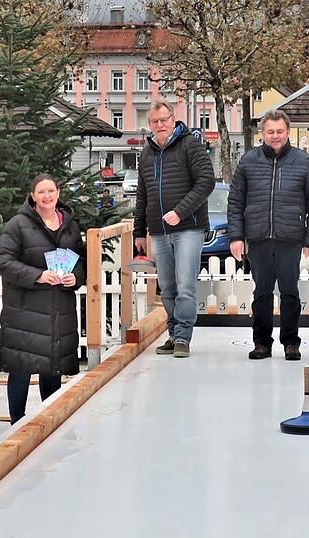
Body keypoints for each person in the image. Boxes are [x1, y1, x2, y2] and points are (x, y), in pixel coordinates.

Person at [227, 110, 309, 361]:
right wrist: (236, 236)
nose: (275, 136)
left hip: (290, 238)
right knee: (262, 293)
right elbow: (235, 202)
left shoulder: (303, 162)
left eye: (280, 131)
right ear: (263, 133)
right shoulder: (248, 161)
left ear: (287, 132)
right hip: (258, 237)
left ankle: (291, 343)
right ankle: (262, 343)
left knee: (290, 292)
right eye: (270, 131)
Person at [0, 173, 87, 424]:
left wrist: (75, 278)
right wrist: (38, 275)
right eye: (41, 192)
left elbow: (81, 261)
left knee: (52, 367)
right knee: (21, 366)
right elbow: (3, 261)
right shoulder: (17, 224)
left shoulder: (69, 224)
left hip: (59, 307)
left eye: (51, 191)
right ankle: (16, 422)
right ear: (33, 196)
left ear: (58, 193)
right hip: (26, 309)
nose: (47, 196)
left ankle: (50, 420)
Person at [133, 100, 215, 358]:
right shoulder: (146, 152)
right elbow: (142, 194)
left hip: (188, 228)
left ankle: (183, 337)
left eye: (164, 120)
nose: (160, 125)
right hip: (158, 230)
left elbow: (206, 182)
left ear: (173, 119)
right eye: (154, 122)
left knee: (185, 284)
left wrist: (180, 212)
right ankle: (172, 331)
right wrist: (138, 230)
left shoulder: (190, 145)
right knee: (167, 287)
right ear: (149, 125)